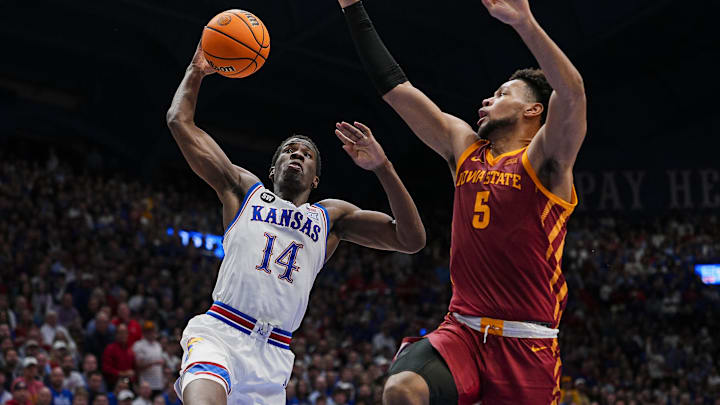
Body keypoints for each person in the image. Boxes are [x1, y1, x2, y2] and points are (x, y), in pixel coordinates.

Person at [338, 0, 586, 403]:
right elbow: (396, 89)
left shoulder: (546, 161)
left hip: (527, 346)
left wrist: (524, 22)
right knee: (402, 390)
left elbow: (572, 94)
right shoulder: (464, 147)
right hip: (463, 333)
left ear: (533, 109)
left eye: (502, 93)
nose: (487, 100)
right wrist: (352, 8)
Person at [165, 39, 426, 405]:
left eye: (306, 155)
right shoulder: (244, 190)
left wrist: (383, 168)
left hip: (273, 355)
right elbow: (180, 121)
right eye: (289, 150)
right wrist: (196, 71)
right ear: (273, 168)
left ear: (315, 179)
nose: (297, 155)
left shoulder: (331, 217)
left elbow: (411, 239)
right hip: (221, 332)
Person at [131, 323, 163, 393]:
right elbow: (138, 366)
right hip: (145, 384)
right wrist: (154, 363)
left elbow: (161, 363)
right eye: (148, 331)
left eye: (153, 331)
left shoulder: (158, 345)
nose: (151, 333)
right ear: (144, 333)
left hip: (158, 383)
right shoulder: (139, 345)